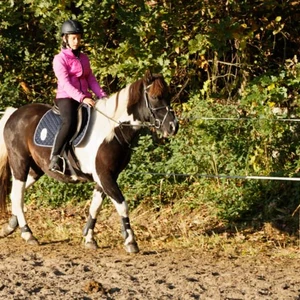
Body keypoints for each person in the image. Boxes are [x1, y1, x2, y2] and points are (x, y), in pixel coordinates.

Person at [49, 19, 107, 173]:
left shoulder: (84, 58)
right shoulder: (59, 59)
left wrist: (102, 96)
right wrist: (82, 97)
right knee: (69, 121)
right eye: (73, 38)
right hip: (66, 97)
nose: (76, 41)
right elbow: (66, 84)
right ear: (65, 38)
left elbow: (90, 79)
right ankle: (55, 156)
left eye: (79, 38)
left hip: (85, 96)